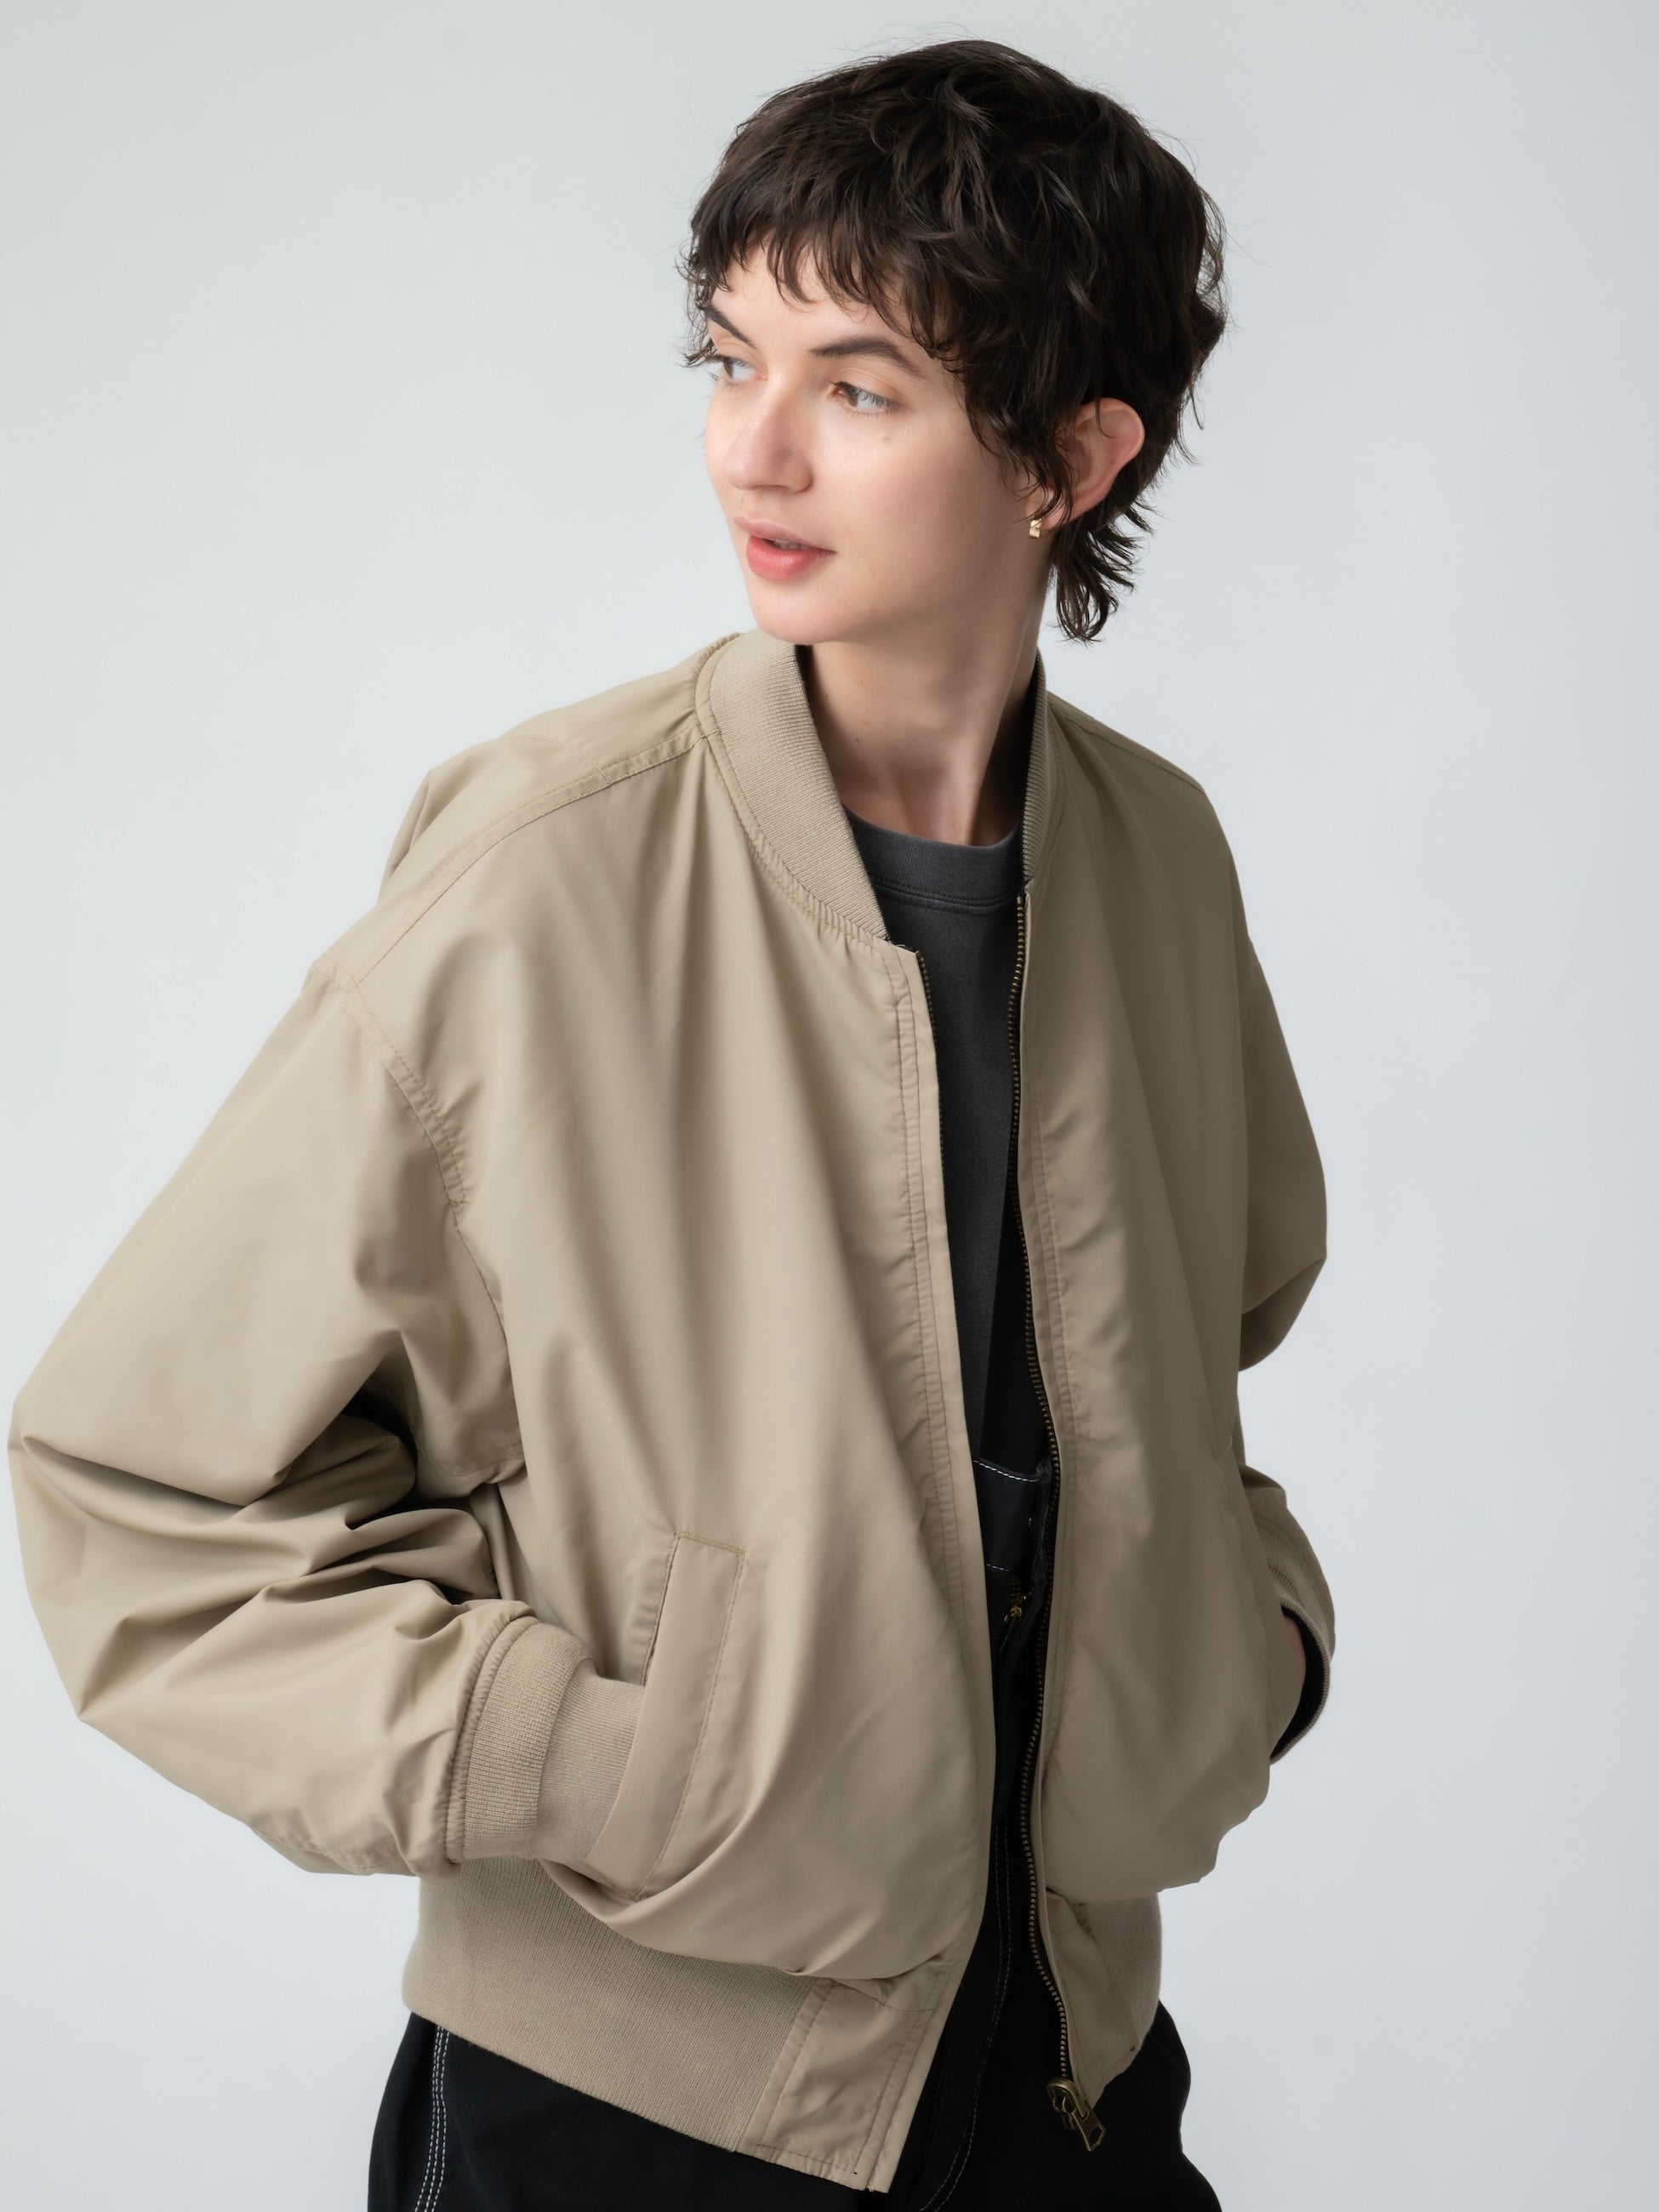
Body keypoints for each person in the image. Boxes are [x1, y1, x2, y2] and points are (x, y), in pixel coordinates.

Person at [7, 37, 1334, 2210]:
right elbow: (136, 1477)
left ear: (1073, 457)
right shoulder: (547, 869)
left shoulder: (1161, 862)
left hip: (1073, 2070)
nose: (754, 447)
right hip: (634, 2110)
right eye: (732, 357)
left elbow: (1204, 1350)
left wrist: (1249, 1645)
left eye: (859, 387)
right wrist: (611, 1755)